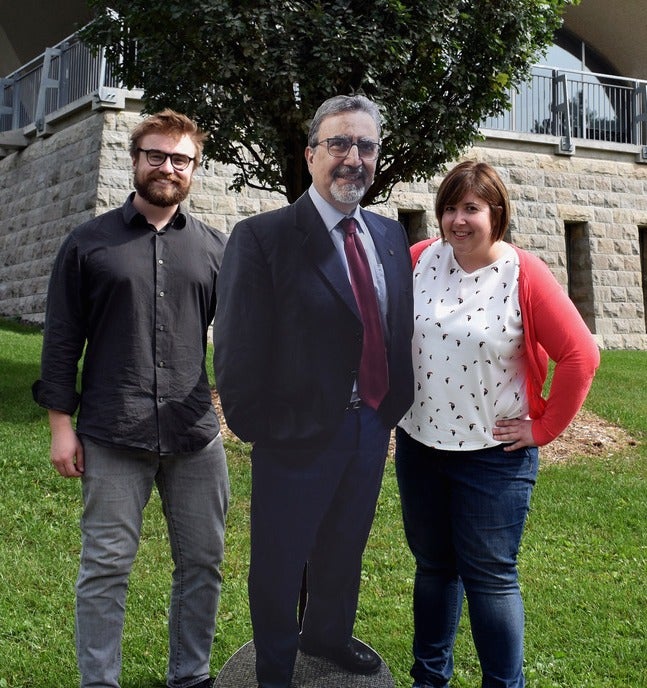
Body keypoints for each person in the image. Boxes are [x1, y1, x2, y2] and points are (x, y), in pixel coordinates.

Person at [213, 94, 414, 688]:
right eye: (339, 144)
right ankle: (276, 665)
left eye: (366, 146)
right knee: (280, 560)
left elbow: (392, 322)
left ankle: (326, 633)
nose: (354, 157)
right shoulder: (263, 237)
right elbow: (238, 346)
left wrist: (387, 411)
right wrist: (259, 426)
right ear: (310, 154)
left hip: (368, 426)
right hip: (293, 432)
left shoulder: (390, 236)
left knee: (344, 545)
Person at [32, 109, 230, 688]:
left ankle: (190, 676)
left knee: (202, 565)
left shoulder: (215, 250)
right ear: (135, 159)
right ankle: (100, 681)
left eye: (181, 159)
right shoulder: (88, 244)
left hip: (195, 435)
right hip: (112, 431)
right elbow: (61, 339)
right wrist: (59, 426)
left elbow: (242, 339)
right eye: (157, 156)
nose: (168, 167)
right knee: (105, 568)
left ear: (194, 168)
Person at [395, 160, 600, 688]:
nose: (457, 220)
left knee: (490, 578)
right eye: (449, 208)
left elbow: (580, 354)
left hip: (493, 459)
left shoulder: (522, 273)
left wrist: (544, 428)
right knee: (434, 570)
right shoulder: (418, 259)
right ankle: (429, 680)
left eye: (471, 208)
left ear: (496, 214)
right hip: (421, 447)